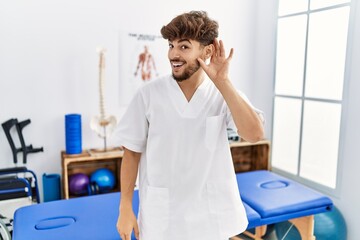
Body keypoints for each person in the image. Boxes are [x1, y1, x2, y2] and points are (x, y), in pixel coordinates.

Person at [116, 11, 264, 240]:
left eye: (184, 47)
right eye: (171, 45)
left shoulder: (222, 93)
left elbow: (254, 134)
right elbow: (132, 153)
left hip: (210, 217)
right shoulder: (148, 95)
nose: (173, 54)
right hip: (163, 217)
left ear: (207, 51)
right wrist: (125, 206)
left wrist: (223, 82)